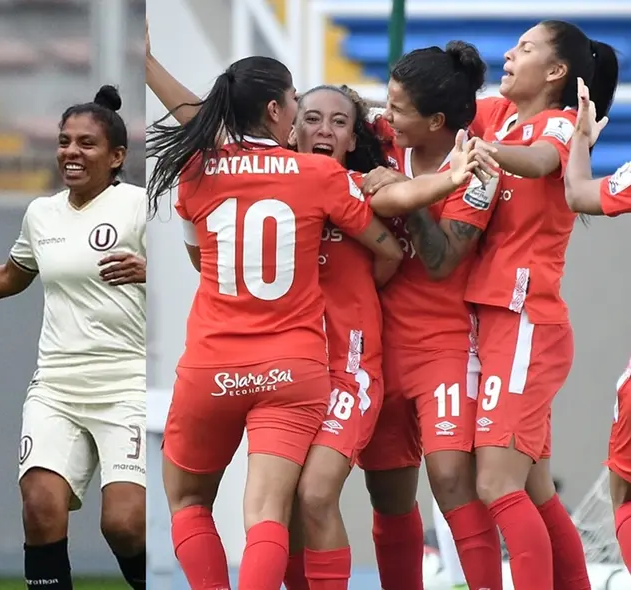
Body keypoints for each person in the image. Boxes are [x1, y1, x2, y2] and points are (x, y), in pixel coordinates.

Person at [143, 40, 489, 585]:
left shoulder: (338, 181)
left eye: (339, 122)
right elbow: (206, 118)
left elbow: (394, 228)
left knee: (313, 494)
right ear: (285, 122)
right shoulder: (313, 180)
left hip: (342, 367)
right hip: (296, 368)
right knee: (286, 512)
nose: (325, 130)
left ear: (356, 138)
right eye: (312, 117)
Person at [0, 86, 147, 590]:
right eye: (64, 141)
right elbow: (12, 275)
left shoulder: (142, 207)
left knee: (124, 524)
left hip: (127, 383)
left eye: (87, 144)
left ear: (117, 156)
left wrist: (152, 269)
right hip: (57, 385)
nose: (71, 153)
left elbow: (199, 268)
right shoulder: (42, 214)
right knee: (40, 506)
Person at [459, 21, 619, 590]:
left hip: (525, 321)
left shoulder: (554, 123)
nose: (507, 53)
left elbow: (542, 164)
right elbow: (439, 108)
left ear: (555, 72)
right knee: (533, 489)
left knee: (495, 485)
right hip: (498, 319)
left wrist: (483, 150)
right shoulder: (498, 113)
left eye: (524, 48)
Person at [352, 42, 505, 590]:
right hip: (375, 344)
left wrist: (407, 193)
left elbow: (441, 262)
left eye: (397, 108)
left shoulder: (480, 170)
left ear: (437, 120)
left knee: (448, 476)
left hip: (443, 344)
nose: (384, 115)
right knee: (387, 492)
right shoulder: (379, 139)